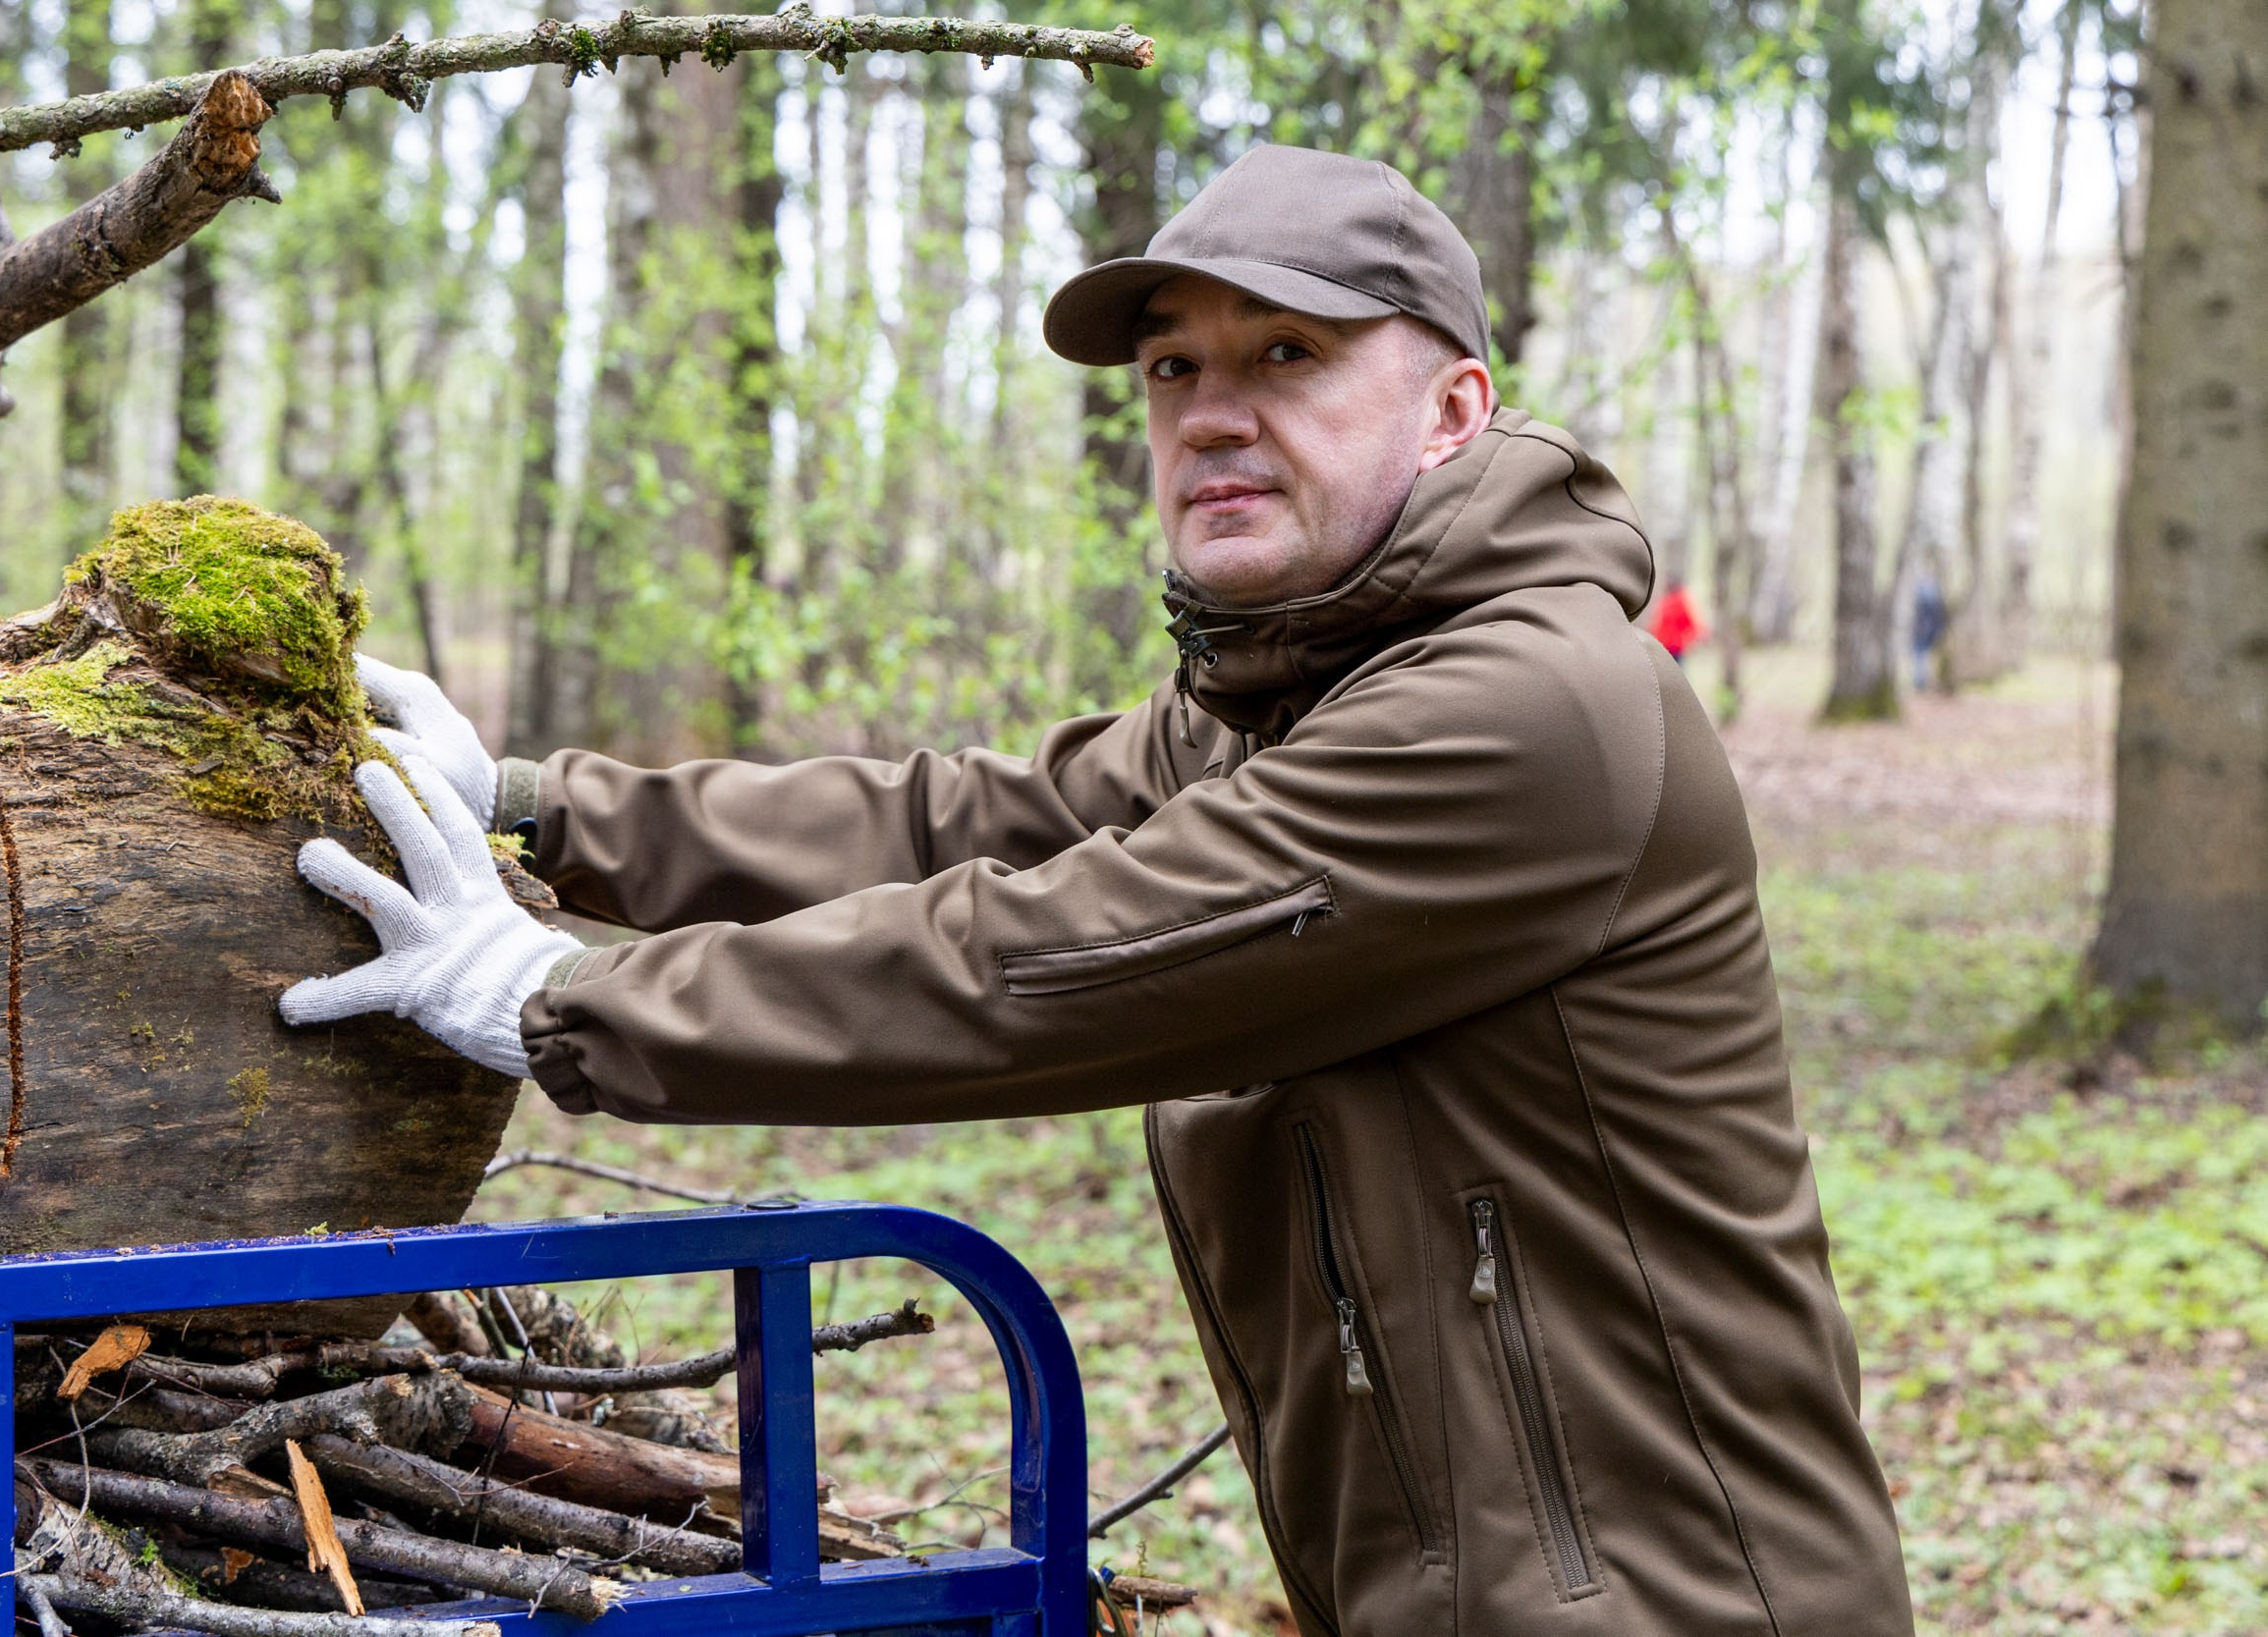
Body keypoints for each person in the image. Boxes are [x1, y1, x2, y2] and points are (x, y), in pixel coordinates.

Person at [281, 145, 1913, 1636]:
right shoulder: (1288, 693)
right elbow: (968, 823)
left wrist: (556, 998)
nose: (1212, 413)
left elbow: (1050, 956)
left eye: (1290, 354)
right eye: (1174, 368)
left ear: (1453, 413)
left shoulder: (1531, 710)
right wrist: (541, 809)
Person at [1645, 573, 1708, 662]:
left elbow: (1691, 622)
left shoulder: (1681, 601)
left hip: (1676, 647)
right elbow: (1656, 624)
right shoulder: (1665, 601)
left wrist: (1695, 637)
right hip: (1663, 645)